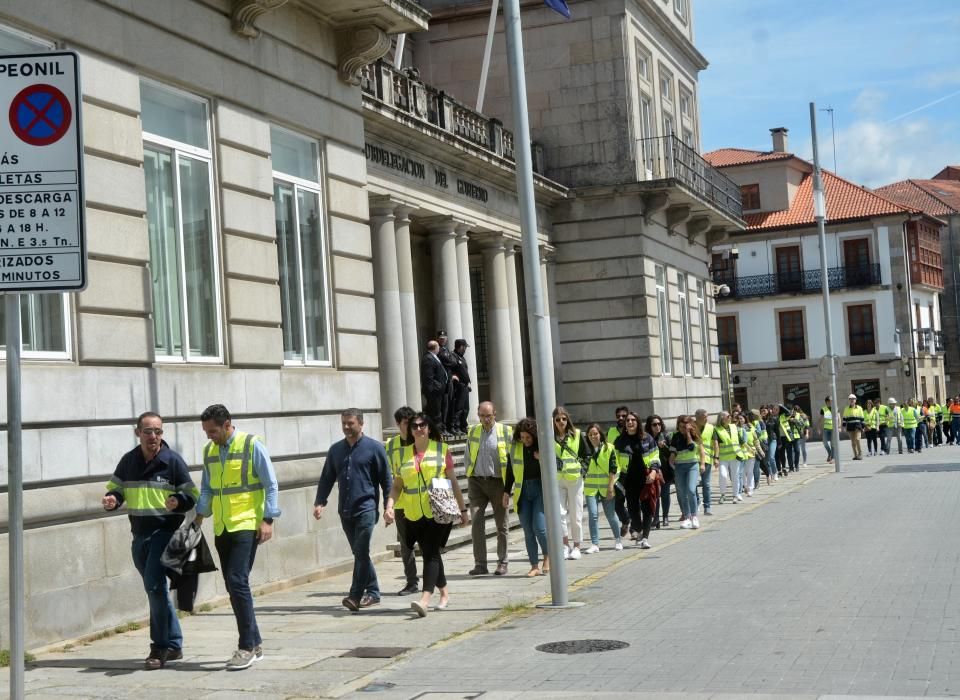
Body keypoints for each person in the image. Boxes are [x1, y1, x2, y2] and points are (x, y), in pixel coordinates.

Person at [102, 412, 198, 670]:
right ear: (138, 433)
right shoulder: (128, 461)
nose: (154, 436)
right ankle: (175, 643)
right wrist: (113, 499)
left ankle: (159, 647)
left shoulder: (172, 462)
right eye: (148, 431)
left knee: (155, 586)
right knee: (156, 589)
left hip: (165, 533)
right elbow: (116, 489)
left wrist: (179, 500)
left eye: (158, 431)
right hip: (139, 535)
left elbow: (192, 493)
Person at [196, 404, 280, 671]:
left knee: (237, 579)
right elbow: (207, 488)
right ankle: (255, 643)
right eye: (206, 431)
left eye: (213, 431)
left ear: (227, 424)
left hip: (247, 523)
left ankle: (246, 647)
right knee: (234, 586)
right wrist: (199, 517)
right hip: (222, 527)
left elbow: (270, 484)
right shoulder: (209, 450)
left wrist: (268, 519)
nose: (209, 436)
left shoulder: (251, 445)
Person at [384, 413, 468, 616]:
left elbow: (454, 482)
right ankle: (445, 593)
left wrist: (463, 509)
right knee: (431, 553)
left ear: (429, 428)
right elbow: (397, 485)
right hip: (413, 513)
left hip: (437, 511)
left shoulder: (441, 450)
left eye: (422, 425)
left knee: (430, 553)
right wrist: (389, 506)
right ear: (410, 430)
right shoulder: (402, 454)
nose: (419, 429)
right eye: (414, 426)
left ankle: (424, 599)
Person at [314, 408, 392, 613]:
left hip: (366, 508)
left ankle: (355, 596)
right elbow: (327, 477)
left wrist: (388, 507)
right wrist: (320, 502)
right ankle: (373, 592)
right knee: (360, 553)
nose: (346, 427)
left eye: (350, 423)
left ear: (361, 423)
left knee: (360, 551)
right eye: (343, 424)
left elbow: (386, 479)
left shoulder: (375, 448)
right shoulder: (335, 450)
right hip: (345, 510)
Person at [465, 401, 510, 576]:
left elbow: (512, 457)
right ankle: (480, 564)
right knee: (476, 522)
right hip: (476, 481)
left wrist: (508, 487)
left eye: (488, 416)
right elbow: (468, 454)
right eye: (482, 416)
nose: (485, 419)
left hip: (498, 482)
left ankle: (502, 562)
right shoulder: (473, 431)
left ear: (495, 414)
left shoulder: (505, 431)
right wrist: (470, 474)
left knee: (502, 525)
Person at [503, 418, 548, 576]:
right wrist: (506, 491)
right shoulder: (515, 447)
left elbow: (554, 466)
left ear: (534, 436)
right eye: (522, 437)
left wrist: (541, 459)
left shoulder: (542, 447)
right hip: (522, 492)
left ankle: (547, 556)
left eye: (528, 437)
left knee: (540, 528)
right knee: (528, 531)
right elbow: (510, 469)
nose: (525, 440)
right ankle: (534, 566)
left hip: (540, 490)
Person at [384, 406, 419, 595]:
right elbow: (387, 476)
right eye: (407, 424)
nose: (412, 427)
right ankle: (412, 582)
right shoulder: (390, 446)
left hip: (422, 502)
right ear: (398, 424)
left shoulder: (422, 442)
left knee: (429, 545)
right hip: (401, 504)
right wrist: (388, 504)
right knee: (406, 545)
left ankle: (435, 582)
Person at [614, 411, 660, 548]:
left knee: (647, 508)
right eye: (628, 420)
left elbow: (655, 455)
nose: (629, 422)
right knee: (633, 510)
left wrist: (653, 471)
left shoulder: (647, 438)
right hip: (628, 480)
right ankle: (639, 530)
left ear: (638, 422)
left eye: (633, 420)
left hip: (646, 478)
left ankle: (645, 537)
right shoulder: (620, 441)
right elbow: (615, 461)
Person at [553, 406, 587, 560]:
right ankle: (565, 544)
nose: (561, 422)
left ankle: (577, 546)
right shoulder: (549, 436)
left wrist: (583, 470)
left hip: (575, 479)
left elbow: (587, 455)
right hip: (558, 479)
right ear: (553, 421)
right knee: (560, 513)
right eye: (558, 419)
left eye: (564, 419)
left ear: (568, 420)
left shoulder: (577, 435)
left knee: (576, 514)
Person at [582, 422, 622, 552]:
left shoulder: (608, 448)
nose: (593, 436)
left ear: (600, 434)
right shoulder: (585, 450)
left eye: (595, 434)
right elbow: (582, 468)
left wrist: (611, 487)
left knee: (610, 514)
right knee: (593, 515)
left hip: (606, 486)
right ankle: (595, 544)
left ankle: (618, 540)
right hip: (591, 488)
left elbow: (613, 468)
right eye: (590, 434)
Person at [670, 415, 703, 530]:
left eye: (685, 426)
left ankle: (694, 516)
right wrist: (672, 459)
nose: (682, 429)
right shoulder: (675, 436)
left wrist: (689, 433)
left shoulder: (694, 436)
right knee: (682, 493)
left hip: (692, 465)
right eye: (681, 427)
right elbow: (673, 451)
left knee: (691, 489)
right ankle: (687, 517)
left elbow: (691, 447)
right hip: (679, 466)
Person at [606, 406, 631, 536]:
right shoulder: (611, 431)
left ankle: (634, 530)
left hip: (631, 471)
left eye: (623, 416)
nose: (621, 418)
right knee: (618, 502)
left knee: (633, 501)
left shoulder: (632, 431)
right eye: (618, 416)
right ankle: (626, 520)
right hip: (617, 473)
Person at [646, 414, 673, 527]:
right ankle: (655, 518)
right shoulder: (647, 438)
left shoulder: (666, 436)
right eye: (654, 424)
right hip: (653, 470)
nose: (657, 426)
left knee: (665, 494)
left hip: (665, 470)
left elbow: (673, 452)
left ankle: (665, 517)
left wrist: (664, 447)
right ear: (650, 426)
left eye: (659, 424)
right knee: (655, 494)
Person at [421, 340, 449, 436]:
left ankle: (437, 430)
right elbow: (428, 377)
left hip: (438, 391)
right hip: (434, 392)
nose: (439, 349)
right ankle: (438, 431)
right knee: (435, 413)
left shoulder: (434, 357)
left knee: (437, 411)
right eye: (438, 347)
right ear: (435, 348)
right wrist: (436, 388)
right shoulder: (428, 358)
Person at [714, 411, 743, 503]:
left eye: (730, 416)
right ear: (722, 418)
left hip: (735, 456)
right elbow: (716, 445)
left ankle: (735, 495)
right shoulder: (717, 429)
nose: (730, 417)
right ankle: (723, 495)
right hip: (723, 457)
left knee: (735, 476)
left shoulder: (734, 427)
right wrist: (716, 458)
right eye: (728, 416)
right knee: (723, 475)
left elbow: (740, 440)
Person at [436, 331, 458, 437]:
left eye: (444, 338)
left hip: (449, 380)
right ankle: (443, 427)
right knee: (444, 406)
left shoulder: (446, 349)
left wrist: (451, 361)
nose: (443, 339)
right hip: (444, 381)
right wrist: (451, 361)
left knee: (450, 404)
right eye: (441, 338)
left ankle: (449, 427)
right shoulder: (439, 350)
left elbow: (453, 361)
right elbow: (451, 362)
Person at [693, 408, 715, 515]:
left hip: (707, 459)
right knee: (694, 484)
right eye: (705, 416)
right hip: (693, 458)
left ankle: (707, 507)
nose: (707, 418)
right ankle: (697, 502)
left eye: (707, 416)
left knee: (706, 484)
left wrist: (716, 458)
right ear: (698, 417)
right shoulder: (691, 427)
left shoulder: (711, 427)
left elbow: (715, 443)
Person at [450, 339, 472, 435]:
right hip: (459, 386)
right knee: (458, 408)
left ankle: (463, 426)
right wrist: (452, 376)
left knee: (466, 408)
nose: (465, 349)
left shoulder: (461, 357)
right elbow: (449, 368)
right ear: (461, 346)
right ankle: (456, 427)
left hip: (465, 386)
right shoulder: (453, 356)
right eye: (465, 347)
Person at [842, 394, 865, 460]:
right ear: (849, 400)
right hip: (850, 426)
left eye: (853, 399)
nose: (852, 400)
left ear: (855, 400)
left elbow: (862, 418)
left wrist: (863, 427)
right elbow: (844, 418)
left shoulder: (859, 408)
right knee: (853, 442)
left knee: (857, 439)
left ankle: (860, 454)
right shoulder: (846, 408)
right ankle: (855, 455)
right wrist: (843, 427)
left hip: (858, 426)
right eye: (850, 399)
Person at [764, 405, 780, 482]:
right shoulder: (761, 420)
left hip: (772, 439)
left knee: (771, 457)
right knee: (766, 459)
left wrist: (779, 442)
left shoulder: (773, 419)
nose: (764, 412)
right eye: (762, 411)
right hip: (764, 441)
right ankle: (769, 474)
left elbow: (777, 431)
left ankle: (775, 472)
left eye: (765, 410)